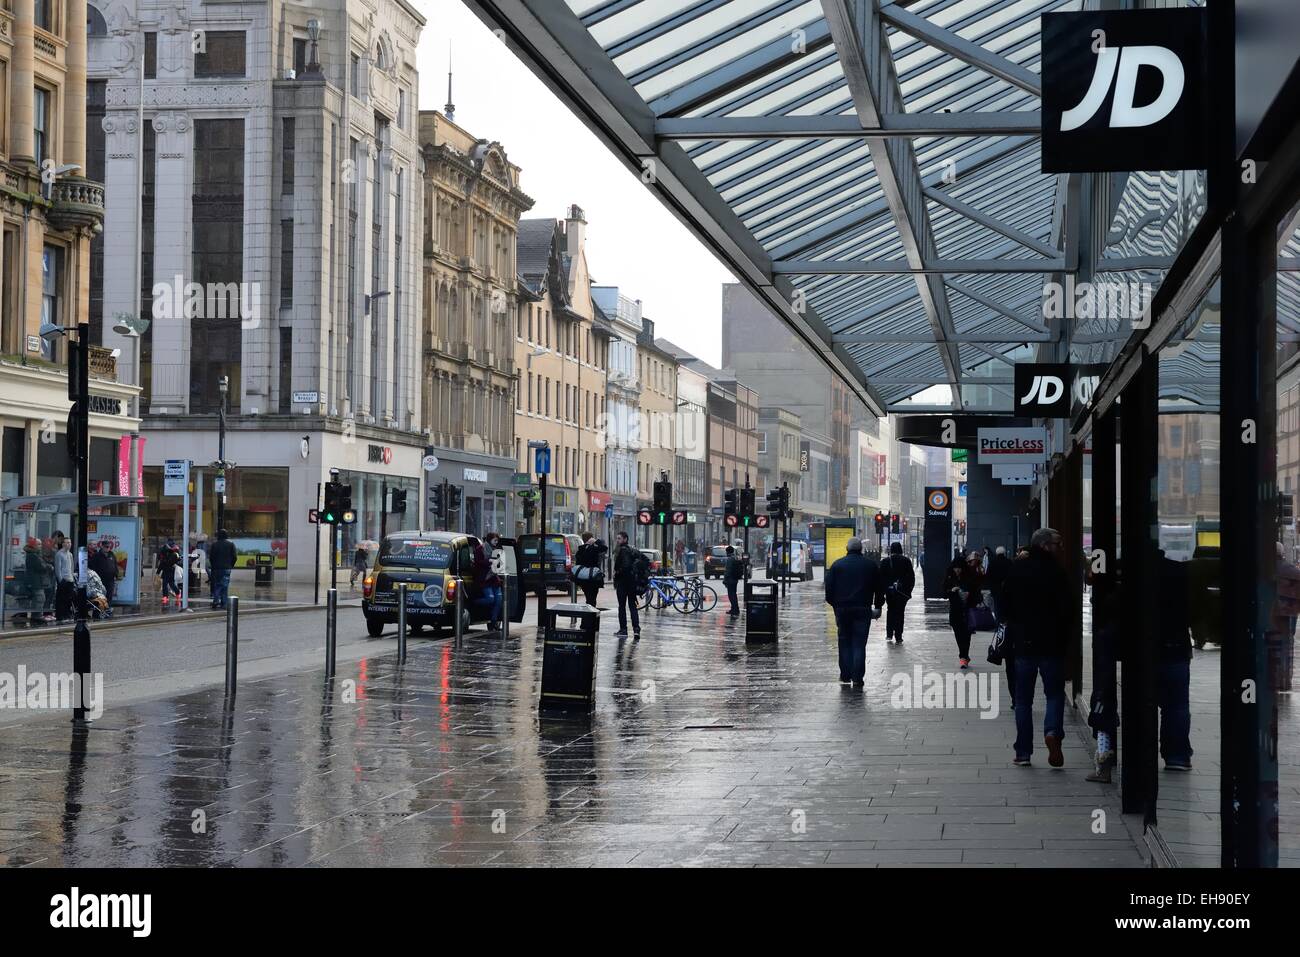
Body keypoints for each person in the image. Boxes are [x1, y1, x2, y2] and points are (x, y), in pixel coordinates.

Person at [1000, 527, 1073, 768]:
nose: (1060, 548)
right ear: (1044, 545)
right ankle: (1052, 732)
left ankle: (1023, 752)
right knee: (1053, 695)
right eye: (1057, 543)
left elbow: (1004, 605)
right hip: (1052, 645)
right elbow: (1067, 610)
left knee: (1023, 701)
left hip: (1024, 645)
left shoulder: (1017, 568)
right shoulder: (1057, 572)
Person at [823, 537, 886, 688]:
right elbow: (879, 588)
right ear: (861, 549)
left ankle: (845, 675)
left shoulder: (837, 565)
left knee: (844, 642)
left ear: (847, 548)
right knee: (859, 644)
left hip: (843, 609)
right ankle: (857, 677)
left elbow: (829, 590)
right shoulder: (870, 566)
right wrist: (878, 606)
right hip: (862, 609)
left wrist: (836, 605)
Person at [1157, 552, 1194, 771]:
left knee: (1143, 701)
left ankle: (1139, 754)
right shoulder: (1180, 571)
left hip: (1145, 648)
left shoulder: (1136, 570)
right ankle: (1177, 756)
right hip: (1177, 646)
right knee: (1178, 704)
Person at [943, 550, 985, 668]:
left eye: (959, 568)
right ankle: (964, 655)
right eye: (955, 568)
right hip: (955, 610)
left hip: (968, 610)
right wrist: (951, 591)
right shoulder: (949, 577)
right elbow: (943, 593)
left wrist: (969, 594)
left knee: (966, 635)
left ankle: (963, 656)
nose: (957, 570)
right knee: (958, 633)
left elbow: (977, 592)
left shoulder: (970, 577)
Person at [611, 532, 646, 639]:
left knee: (622, 607)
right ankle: (636, 629)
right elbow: (644, 560)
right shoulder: (633, 550)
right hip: (632, 584)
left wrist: (618, 572)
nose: (617, 540)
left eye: (619, 538)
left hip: (623, 583)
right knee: (632, 607)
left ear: (625, 539)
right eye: (617, 538)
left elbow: (625, 567)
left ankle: (623, 630)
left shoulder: (623, 550)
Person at [880, 541, 914, 644]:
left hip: (890, 592)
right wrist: (908, 592)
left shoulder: (885, 561)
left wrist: (884, 590)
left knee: (890, 611)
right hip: (902, 593)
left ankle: (889, 634)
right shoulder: (906, 561)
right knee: (900, 613)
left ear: (891, 550)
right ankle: (898, 635)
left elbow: (881, 578)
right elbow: (911, 578)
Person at [473, 537, 503, 632]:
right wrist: (489, 561)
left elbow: (500, 563)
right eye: (495, 540)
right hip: (485, 578)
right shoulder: (480, 549)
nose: (496, 542)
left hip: (494, 578)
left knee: (499, 600)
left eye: (497, 540)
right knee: (490, 599)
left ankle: (493, 622)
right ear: (489, 540)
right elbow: (478, 562)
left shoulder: (497, 550)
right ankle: (473, 602)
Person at [23, 539, 54, 625]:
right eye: (39, 544)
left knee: (40, 598)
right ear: (34, 546)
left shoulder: (36, 554)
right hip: (35, 581)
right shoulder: (32, 555)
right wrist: (50, 567)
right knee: (40, 598)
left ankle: (37, 615)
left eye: (41, 544)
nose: (41, 546)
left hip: (38, 581)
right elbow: (41, 566)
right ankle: (36, 616)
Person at [572, 532, 606, 607]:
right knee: (592, 600)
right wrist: (596, 541)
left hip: (583, 579)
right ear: (591, 538)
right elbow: (604, 548)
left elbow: (578, 563)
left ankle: (587, 617)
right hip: (593, 579)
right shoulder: (593, 549)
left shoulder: (580, 550)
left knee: (589, 599)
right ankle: (591, 617)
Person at [208, 529, 238, 610]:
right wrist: (231, 565)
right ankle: (223, 603)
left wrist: (213, 565)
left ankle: (216, 600)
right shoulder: (230, 544)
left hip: (216, 568)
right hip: (226, 568)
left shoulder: (215, 544)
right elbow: (235, 557)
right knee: (224, 585)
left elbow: (211, 557)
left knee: (217, 584)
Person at [88, 540, 119, 608]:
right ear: (102, 546)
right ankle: (99, 611)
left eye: (109, 547)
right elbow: (92, 567)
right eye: (106, 547)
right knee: (100, 596)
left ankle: (108, 610)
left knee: (109, 595)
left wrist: (116, 574)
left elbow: (115, 565)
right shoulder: (97, 555)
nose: (108, 548)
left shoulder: (111, 554)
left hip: (110, 579)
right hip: (100, 579)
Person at [53, 532, 75, 623]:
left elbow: (72, 567)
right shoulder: (59, 554)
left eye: (69, 542)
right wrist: (60, 580)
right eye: (66, 542)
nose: (68, 544)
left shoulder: (70, 554)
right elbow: (58, 568)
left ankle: (67, 614)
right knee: (61, 599)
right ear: (63, 544)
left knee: (68, 599)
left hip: (70, 579)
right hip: (63, 580)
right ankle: (60, 616)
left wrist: (72, 577)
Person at [985, 545, 1012, 620]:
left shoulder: (993, 562)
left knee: (997, 605)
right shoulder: (1009, 562)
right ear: (1004, 553)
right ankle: (1005, 621)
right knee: (1006, 605)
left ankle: (998, 621)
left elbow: (988, 575)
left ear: (997, 553)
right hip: (1006, 588)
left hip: (995, 588)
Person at [156, 539, 181, 605]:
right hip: (166, 571)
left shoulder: (174, 554)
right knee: (166, 584)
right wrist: (158, 572)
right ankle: (166, 596)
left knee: (171, 584)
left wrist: (158, 571)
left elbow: (168, 562)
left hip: (170, 571)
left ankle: (176, 593)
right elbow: (162, 563)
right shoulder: (167, 553)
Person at [723, 545, 744, 618]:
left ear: (727, 552)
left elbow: (727, 571)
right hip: (735, 579)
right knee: (734, 595)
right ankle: (734, 609)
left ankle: (735, 610)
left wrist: (725, 580)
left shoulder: (729, 559)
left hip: (730, 579)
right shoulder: (735, 557)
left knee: (731, 595)